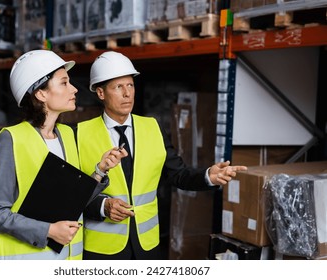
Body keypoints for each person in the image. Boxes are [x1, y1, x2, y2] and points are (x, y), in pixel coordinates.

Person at [76, 51, 248, 260]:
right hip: (102, 251)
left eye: (130, 85)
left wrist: (207, 175)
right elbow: (73, 194)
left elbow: (177, 174)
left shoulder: (152, 127)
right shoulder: (80, 134)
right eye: (118, 87)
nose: (127, 93)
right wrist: (103, 207)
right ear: (101, 93)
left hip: (146, 246)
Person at [0, 50, 126, 260]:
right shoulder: (11, 139)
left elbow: (72, 200)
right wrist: (48, 231)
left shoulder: (67, 135)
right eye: (64, 83)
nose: (74, 89)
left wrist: (99, 171)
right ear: (41, 94)